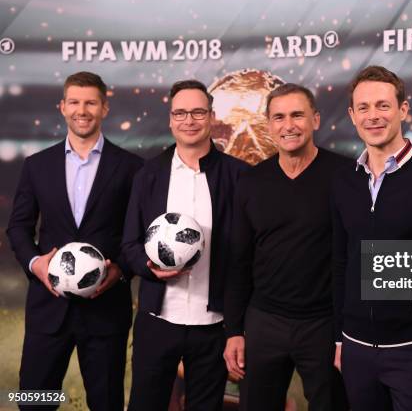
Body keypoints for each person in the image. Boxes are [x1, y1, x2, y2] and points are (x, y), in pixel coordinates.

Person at [6, 72, 143, 410]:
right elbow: (19, 228)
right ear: (63, 107)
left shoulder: (131, 168)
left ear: (104, 108)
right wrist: (37, 264)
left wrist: (121, 271)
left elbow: (137, 235)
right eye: (75, 102)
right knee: (35, 401)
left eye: (91, 103)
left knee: (105, 403)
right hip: (48, 309)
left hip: (105, 311)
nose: (83, 110)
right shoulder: (37, 166)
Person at [121, 79, 248, 411]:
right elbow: (129, 245)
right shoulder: (148, 175)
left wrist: (237, 327)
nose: (188, 120)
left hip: (214, 326)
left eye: (197, 112)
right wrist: (148, 269)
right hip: (158, 320)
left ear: (210, 115)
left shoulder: (239, 176)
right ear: (170, 119)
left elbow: (245, 255)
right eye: (180, 113)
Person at [223, 83, 351, 411]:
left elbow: (354, 256)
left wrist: (344, 333)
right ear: (269, 125)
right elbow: (238, 261)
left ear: (316, 120)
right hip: (264, 322)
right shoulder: (251, 182)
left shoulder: (345, 176)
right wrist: (234, 331)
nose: (288, 125)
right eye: (279, 117)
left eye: (297, 115)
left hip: (323, 324)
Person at [330, 66, 412, 411]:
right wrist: (339, 339)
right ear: (352, 115)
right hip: (355, 349)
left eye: (383, 105)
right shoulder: (343, 180)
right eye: (363, 108)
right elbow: (340, 261)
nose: (373, 116)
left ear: (403, 110)